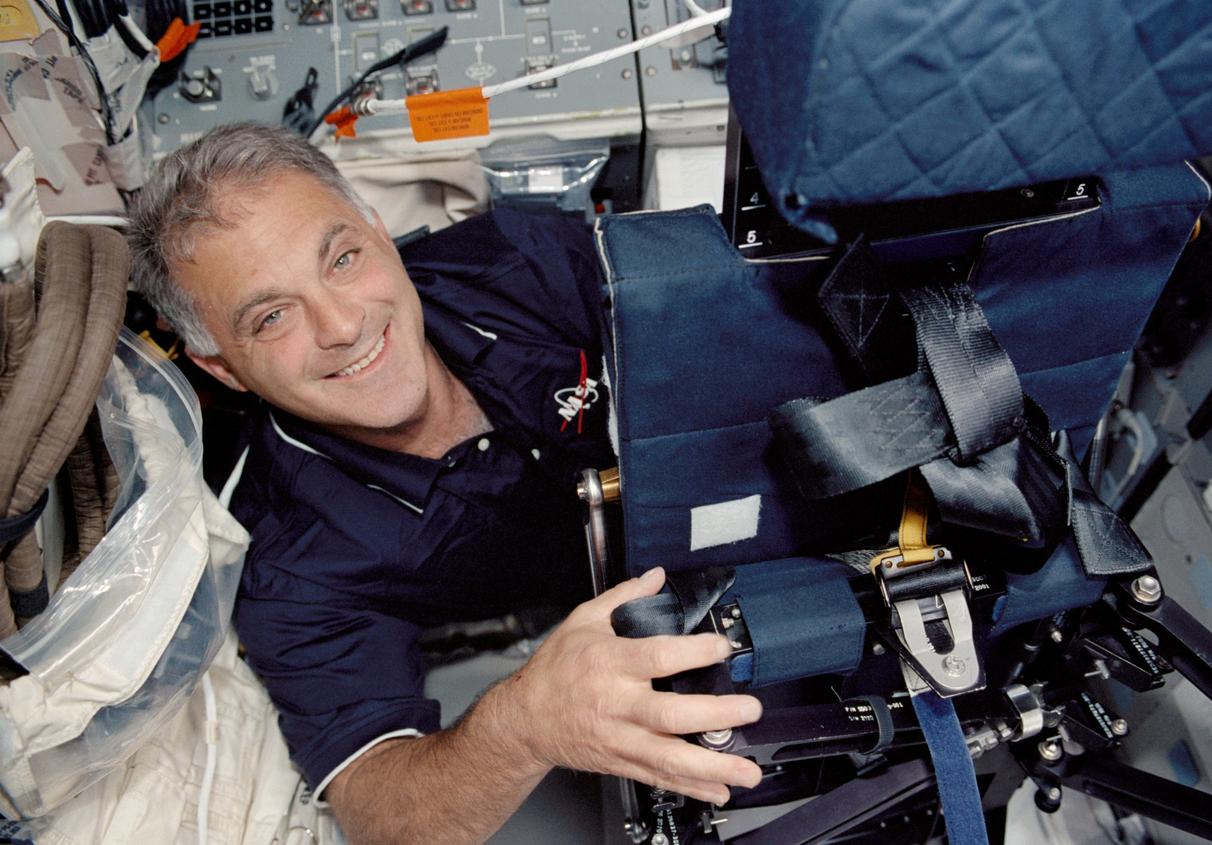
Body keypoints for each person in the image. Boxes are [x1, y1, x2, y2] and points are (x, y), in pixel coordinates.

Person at [127, 122, 763, 844]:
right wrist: (522, 725)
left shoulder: (518, 259)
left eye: (341, 258)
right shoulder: (290, 562)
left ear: (378, 231)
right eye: (272, 316)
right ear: (221, 366)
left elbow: (745, 315)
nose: (343, 324)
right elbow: (376, 808)